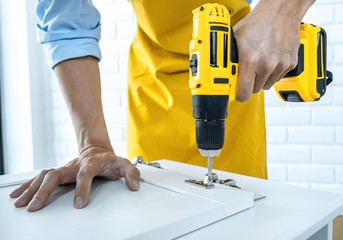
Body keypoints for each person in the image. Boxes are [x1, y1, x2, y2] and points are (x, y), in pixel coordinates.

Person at [9, 0, 315, 212]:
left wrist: (283, 10)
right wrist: (93, 145)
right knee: (154, 207)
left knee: (243, 216)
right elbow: (65, 21)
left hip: (235, 69)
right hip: (153, 84)